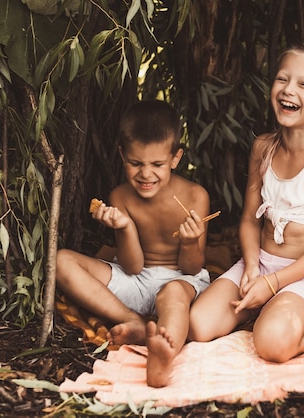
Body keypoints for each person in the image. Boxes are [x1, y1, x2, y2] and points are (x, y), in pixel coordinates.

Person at [188, 46, 304, 363]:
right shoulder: (263, 146)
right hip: (259, 265)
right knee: (198, 326)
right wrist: (252, 267)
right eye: (282, 79)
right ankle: (266, 309)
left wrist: (273, 283)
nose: (288, 89)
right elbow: (250, 219)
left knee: (272, 346)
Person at [56, 100, 212, 388]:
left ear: (175, 158)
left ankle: (165, 352)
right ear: (122, 156)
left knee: (174, 295)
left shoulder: (195, 196)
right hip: (135, 278)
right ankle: (134, 321)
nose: (146, 174)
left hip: (179, 280)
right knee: (61, 260)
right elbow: (132, 265)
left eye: (157, 164)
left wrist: (190, 243)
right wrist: (125, 227)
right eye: (135, 163)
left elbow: (192, 267)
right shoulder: (121, 196)